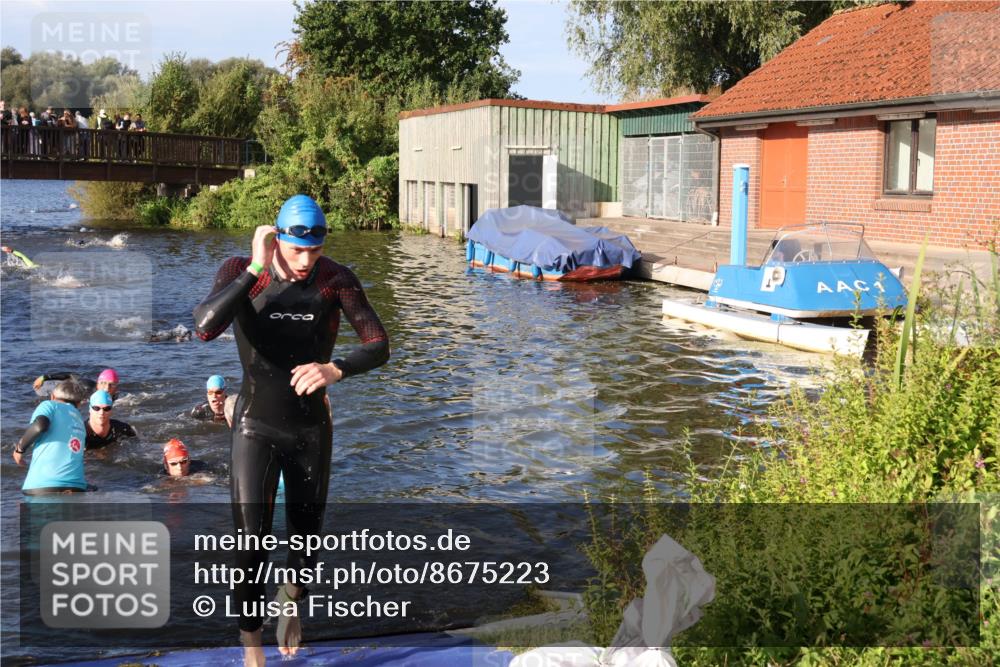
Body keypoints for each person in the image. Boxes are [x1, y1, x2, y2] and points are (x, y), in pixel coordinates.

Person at [193, 194, 389, 665]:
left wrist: (335, 369)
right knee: (249, 543)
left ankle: (291, 604)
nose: (306, 262)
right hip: (255, 424)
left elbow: (379, 344)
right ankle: (252, 647)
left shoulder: (333, 279)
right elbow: (204, 327)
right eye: (297, 250)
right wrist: (253, 268)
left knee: (306, 541)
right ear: (277, 238)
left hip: (309, 429)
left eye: (314, 252)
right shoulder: (241, 268)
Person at [13, 378, 90, 495]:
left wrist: (19, 449)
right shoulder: (79, 418)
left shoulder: (49, 405)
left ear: (53, 396)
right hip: (77, 487)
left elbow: (40, 425)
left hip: (42, 486)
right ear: (78, 403)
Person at [33, 367, 121, 399]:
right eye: (103, 383)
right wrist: (44, 377)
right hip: (54, 385)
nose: (107, 388)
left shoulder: (114, 396)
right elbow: (70, 375)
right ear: (98, 383)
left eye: (112, 384)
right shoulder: (87, 387)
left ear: (116, 387)